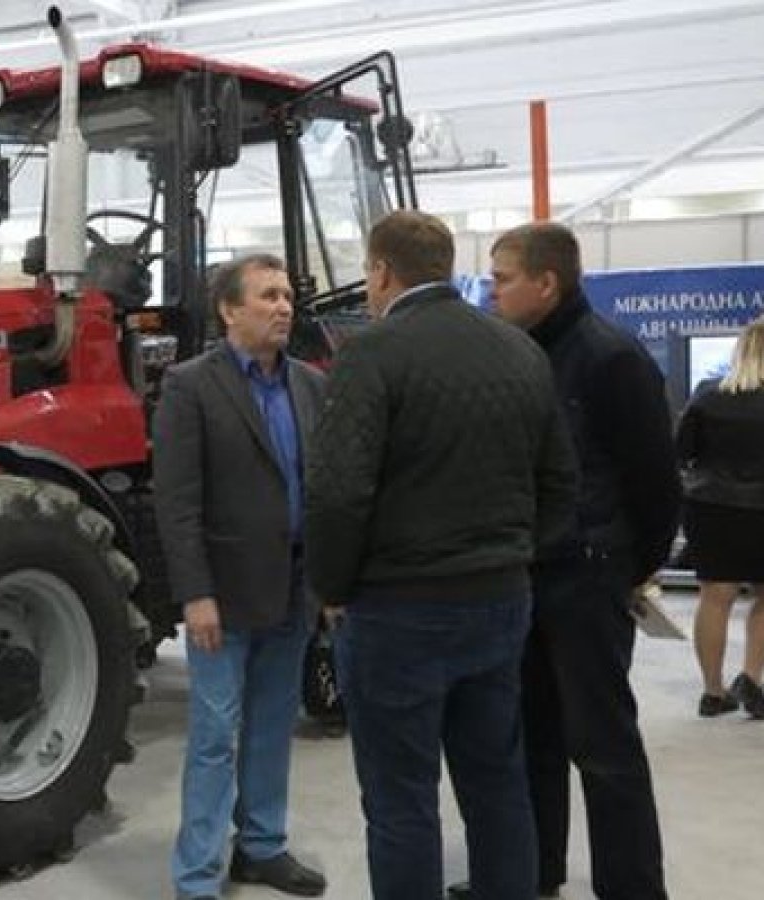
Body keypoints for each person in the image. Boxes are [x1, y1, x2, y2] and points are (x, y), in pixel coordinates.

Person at [305, 210, 578, 900]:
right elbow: (560, 483)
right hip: (500, 602)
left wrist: (332, 587)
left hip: (397, 609)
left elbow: (339, 494)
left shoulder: (370, 354)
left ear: (382, 271)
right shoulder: (520, 350)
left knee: (401, 799)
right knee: (496, 781)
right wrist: (513, 555)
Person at [479, 220, 680, 900]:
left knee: (603, 746)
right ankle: (536, 870)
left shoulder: (611, 358)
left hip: (587, 576)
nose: (490, 290)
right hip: (528, 575)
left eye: (501, 278)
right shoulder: (517, 355)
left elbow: (656, 484)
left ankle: (631, 886)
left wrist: (625, 568)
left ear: (547, 282)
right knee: (531, 734)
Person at [155, 254, 328, 900]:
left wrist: (327, 584)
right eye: (267, 296)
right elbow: (178, 502)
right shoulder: (190, 386)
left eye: (286, 295)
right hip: (221, 599)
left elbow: (322, 489)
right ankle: (198, 875)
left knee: (271, 725)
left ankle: (261, 846)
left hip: (293, 588)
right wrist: (195, 593)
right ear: (230, 309)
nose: (283, 306)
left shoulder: (310, 385)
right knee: (214, 737)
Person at [676, 316, 764, 718]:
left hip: (711, 508)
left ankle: (713, 692)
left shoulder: (706, 395)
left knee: (715, 597)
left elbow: (681, 454)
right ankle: (750, 677)